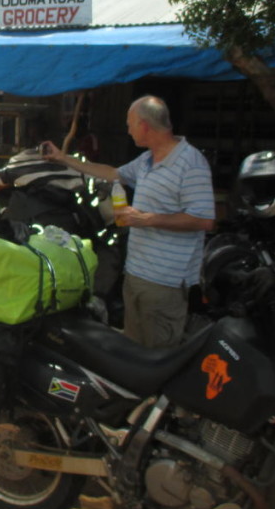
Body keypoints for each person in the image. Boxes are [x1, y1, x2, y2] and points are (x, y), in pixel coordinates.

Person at [42, 95, 215, 348]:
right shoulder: (147, 160)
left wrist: (146, 219)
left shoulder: (191, 163)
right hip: (135, 274)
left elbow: (204, 220)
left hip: (164, 282)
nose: (128, 130)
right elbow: (113, 173)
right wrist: (64, 159)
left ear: (144, 125)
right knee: (134, 352)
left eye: (130, 123)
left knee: (159, 354)